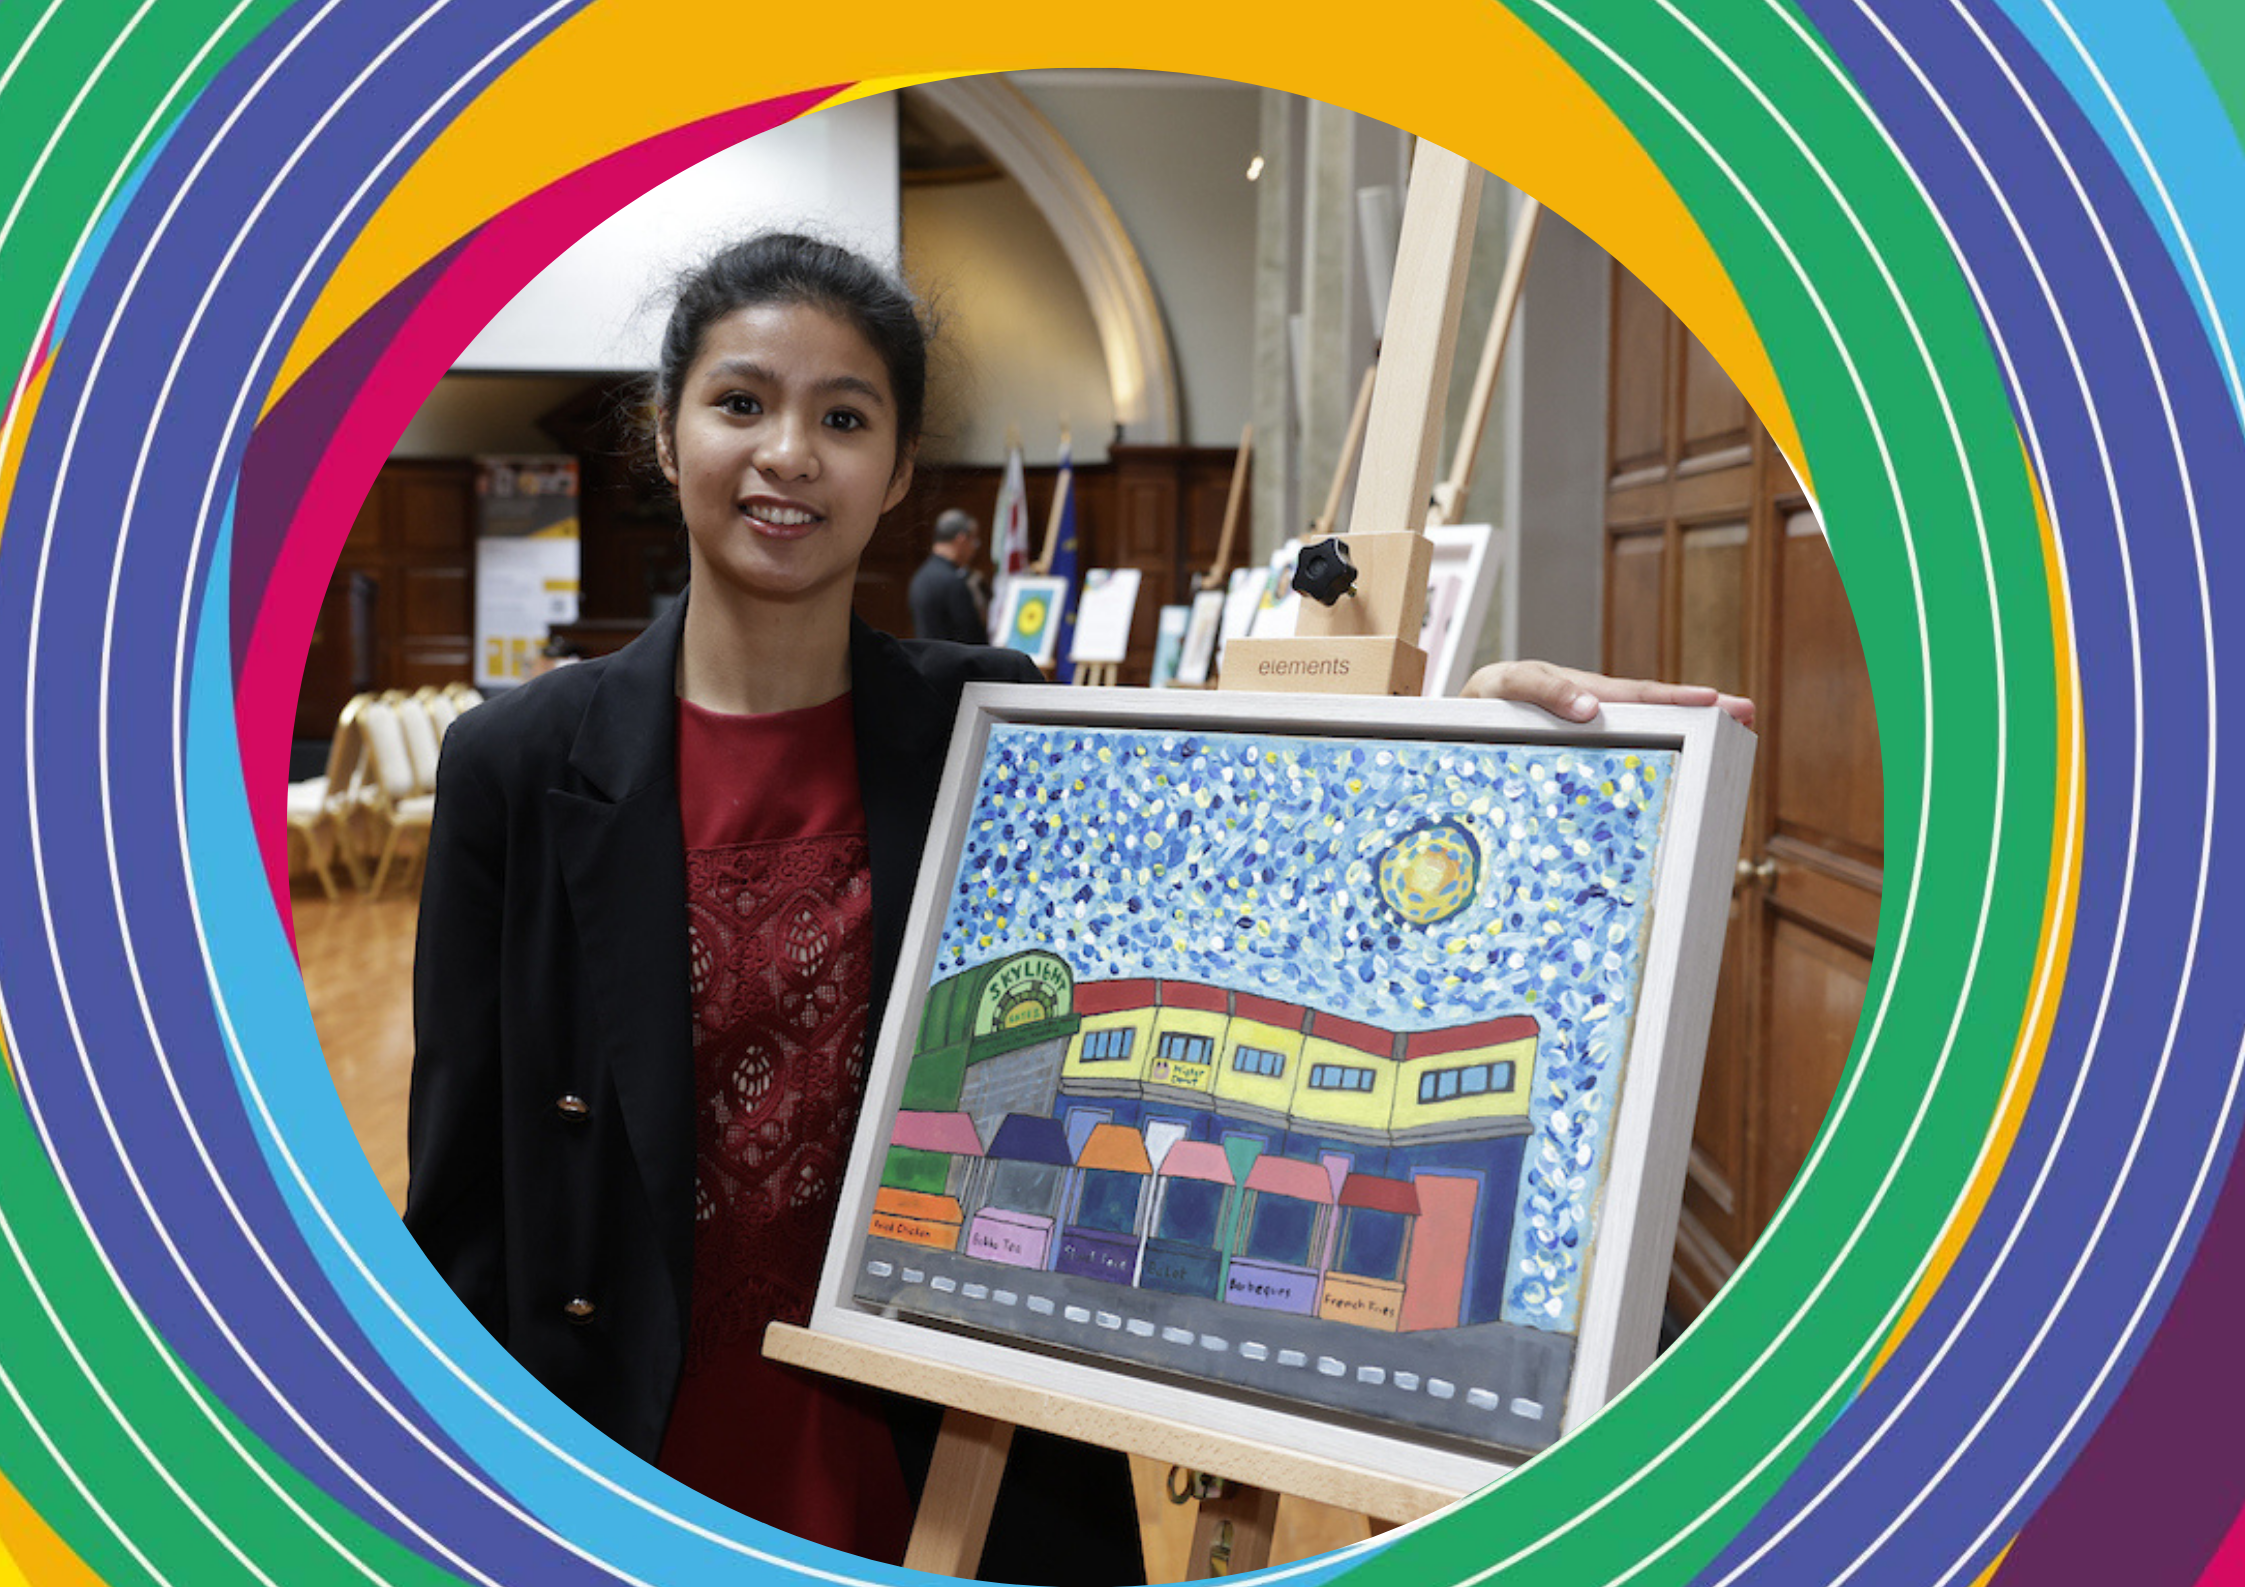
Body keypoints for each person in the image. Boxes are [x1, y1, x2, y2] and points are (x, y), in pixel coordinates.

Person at [404, 228, 1750, 1580]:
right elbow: (462, 1195)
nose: (789, 452)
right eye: (741, 401)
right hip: (622, 1444)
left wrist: (1488, 744)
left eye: (845, 416)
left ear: (898, 472)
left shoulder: (990, 721)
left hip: (943, 1455)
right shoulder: (518, 763)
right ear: (665, 426)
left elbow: (1243, 853)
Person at [907, 507, 988, 643]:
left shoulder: (920, 576)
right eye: (974, 541)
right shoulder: (954, 581)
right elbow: (972, 637)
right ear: (961, 539)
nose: (974, 548)